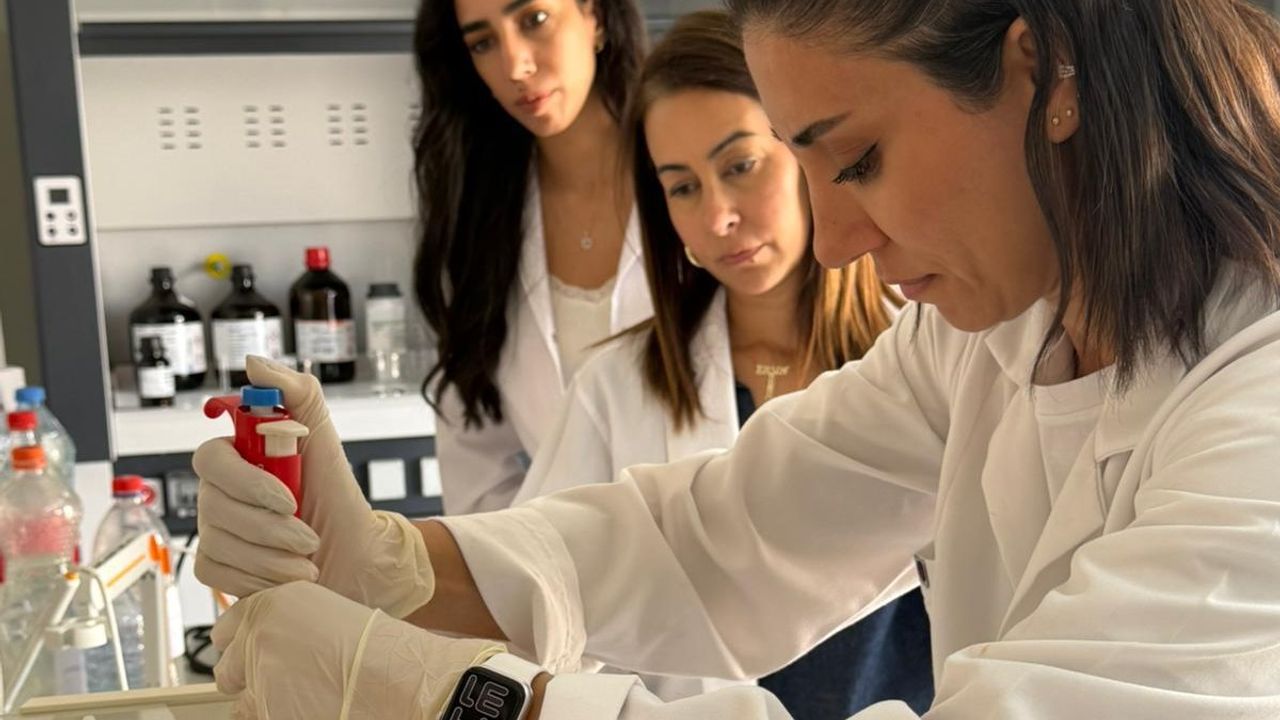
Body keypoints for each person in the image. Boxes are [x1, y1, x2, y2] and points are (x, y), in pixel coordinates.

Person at [192, 0, 1280, 718]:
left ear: (1045, 72)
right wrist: (394, 562)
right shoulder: (987, 338)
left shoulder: (1258, 407)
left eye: (858, 158)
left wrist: (456, 701)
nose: (836, 242)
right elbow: (718, 534)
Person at [513, 11, 930, 716]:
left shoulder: (928, 352)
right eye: (683, 187)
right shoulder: (614, 388)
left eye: (740, 166)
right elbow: (541, 608)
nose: (718, 218)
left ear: (809, 149)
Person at [414, 0, 653, 516]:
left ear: (595, 15)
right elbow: (477, 465)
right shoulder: (477, 225)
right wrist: (537, 559)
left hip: (711, 548)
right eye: (483, 42)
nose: (516, 66)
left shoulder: (690, 181)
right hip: (558, 556)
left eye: (534, 21)